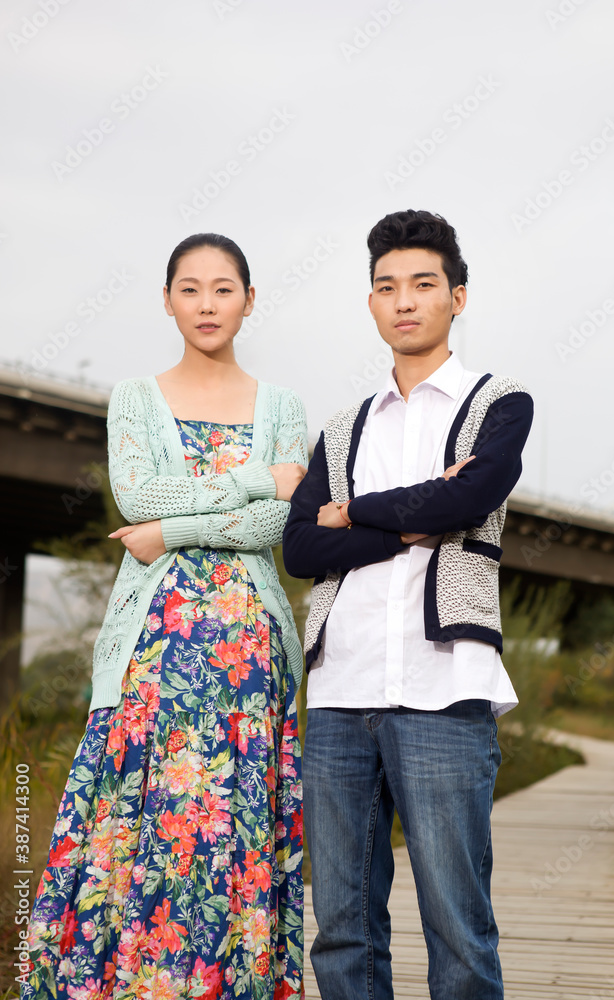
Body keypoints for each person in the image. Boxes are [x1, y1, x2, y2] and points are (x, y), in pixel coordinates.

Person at [24, 233, 307, 1000]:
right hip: (153, 649)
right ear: (166, 299)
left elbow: (269, 527)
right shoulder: (134, 397)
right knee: (140, 818)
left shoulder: (283, 406)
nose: (207, 304)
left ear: (250, 299)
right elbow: (136, 498)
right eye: (190, 288)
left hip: (249, 649)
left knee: (232, 825)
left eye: (223, 289)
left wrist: (169, 534)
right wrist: (254, 477)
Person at [282, 209, 534, 1000]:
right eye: (386, 287)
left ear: (457, 297)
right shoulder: (342, 426)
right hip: (338, 695)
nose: (404, 301)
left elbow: (475, 494)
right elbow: (299, 550)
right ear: (370, 305)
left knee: (457, 926)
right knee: (344, 932)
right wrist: (415, 517)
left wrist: (353, 511)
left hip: (444, 692)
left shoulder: (501, 402)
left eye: (422, 285)